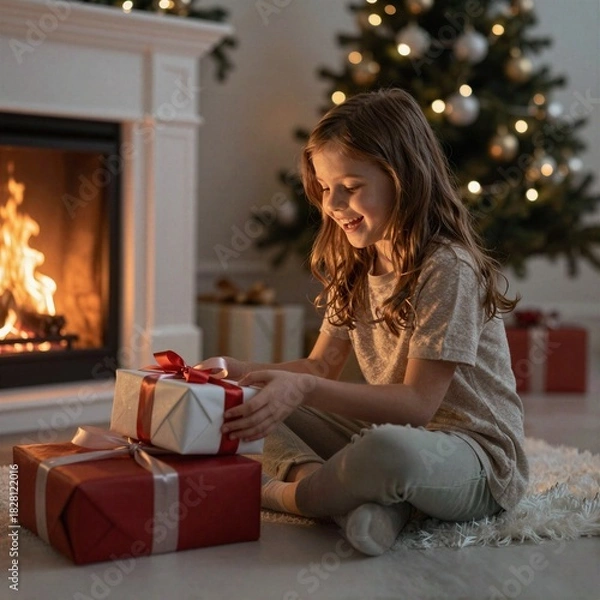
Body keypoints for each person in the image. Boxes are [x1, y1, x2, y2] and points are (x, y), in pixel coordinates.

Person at [217, 88, 528, 556]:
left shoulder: (448, 268)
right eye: (324, 188)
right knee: (253, 400)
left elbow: (418, 405)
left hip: (473, 456)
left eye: (351, 186)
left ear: (401, 177)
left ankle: (297, 496)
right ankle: (363, 501)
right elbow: (321, 368)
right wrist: (233, 372)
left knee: (388, 451)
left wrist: (299, 389)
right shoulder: (356, 263)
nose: (332, 204)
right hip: (401, 438)